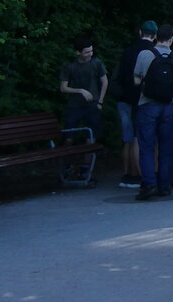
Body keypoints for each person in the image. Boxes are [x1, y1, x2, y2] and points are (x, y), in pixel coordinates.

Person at [133, 24, 173, 200]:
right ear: (171, 38)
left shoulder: (145, 55)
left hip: (148, 104)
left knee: (146, 146)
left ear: (155, 37)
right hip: (168, 106)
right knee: (166, 148)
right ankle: (165, 185)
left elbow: (136, 80)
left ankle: (149, 184)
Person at [112, 20, 157, 188]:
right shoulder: (152, 53)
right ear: (154, 36)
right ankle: (139, 175)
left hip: (124, 99)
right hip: (141, 100)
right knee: (140, 139)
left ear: (140, 32)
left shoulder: (127, 51)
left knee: (127, 139)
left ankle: (127, 174)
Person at [60, 36, 108, 176]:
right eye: (86, 52)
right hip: (74, 105)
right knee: (69, 137)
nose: (90, 54)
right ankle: (67, 165)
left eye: (91, 51)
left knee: (91, 136)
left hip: (92, 105)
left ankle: (86, 167)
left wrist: (100, 101)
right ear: (78, 52)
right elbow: (63, 87)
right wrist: (79, 91)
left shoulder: (96, 63)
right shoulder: (70, 66)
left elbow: (104, 82)